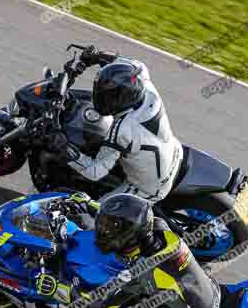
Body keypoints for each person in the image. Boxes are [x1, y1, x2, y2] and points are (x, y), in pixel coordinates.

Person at [32, 192, 221, 308]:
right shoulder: (157, 228)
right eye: (105, 223)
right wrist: (90, 205)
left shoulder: (142, 271)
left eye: (110, 227)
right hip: (204, 291)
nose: (104, 230)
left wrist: (56, 289)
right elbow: (127, 222)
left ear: (129, 234)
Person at [54, 45, 185, 203]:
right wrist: (97, 55)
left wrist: (62, 147)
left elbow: (94, 172)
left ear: (122, 99)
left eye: (107, 97)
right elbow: (126, 63)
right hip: (174, 152)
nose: (100, 99)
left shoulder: (123, 130)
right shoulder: (144, 83)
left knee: (93, 215)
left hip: (149, 187)